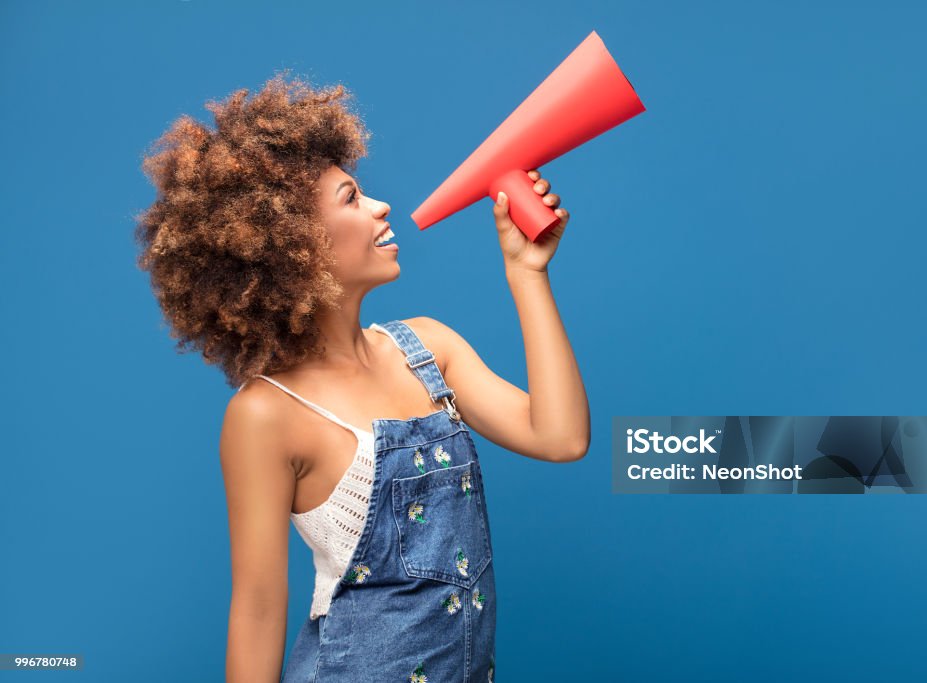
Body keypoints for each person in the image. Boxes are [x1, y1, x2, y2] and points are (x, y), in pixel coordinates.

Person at [134, 72, 590, 682]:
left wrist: (527, 274)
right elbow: (259, 608)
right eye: (351, 198)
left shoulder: (427, 348)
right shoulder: (265, 414)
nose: (380, 206)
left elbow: (560, 438)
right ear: (293, 245)